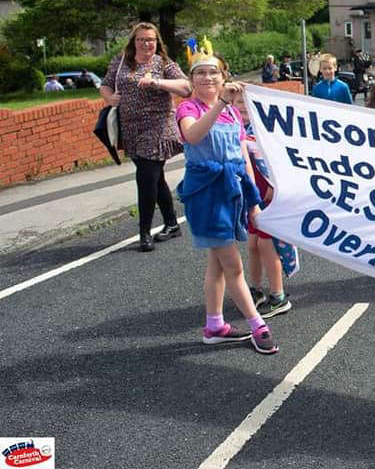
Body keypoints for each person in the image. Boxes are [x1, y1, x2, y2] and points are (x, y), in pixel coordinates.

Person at [175, 51, 279, 355]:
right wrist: (221, 101)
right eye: (200, 73)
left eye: (213, 73)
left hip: (232, 191)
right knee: (232, 265)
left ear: (223, 76)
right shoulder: (187, 108)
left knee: (217, 265)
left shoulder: (232, 113)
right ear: (192, 79)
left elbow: (242, 156)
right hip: (206, 194)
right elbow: (193, 135)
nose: (207, 78)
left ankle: (214, 325)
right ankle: (258, 324)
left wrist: (253, 201)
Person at [101, 23, 191, 252]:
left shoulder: (163, 63)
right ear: (134, 41)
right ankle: (172, 223)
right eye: (141, 39)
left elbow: (185, 87)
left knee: (145, 178)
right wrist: (110, 99)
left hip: (158, 127)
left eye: (151, 39)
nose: (146, 44)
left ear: (157, 42)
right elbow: (105, 85)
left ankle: (144, 232)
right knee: (154, 177)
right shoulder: (121, 61)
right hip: (131, 128)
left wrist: (157, 82)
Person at [233, 91, 292, 319]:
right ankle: (256, 289)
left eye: (248, 104)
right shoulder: (235, 128)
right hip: (251, 197)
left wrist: (272, 189)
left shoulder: (265, 131)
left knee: (267, 245)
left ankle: (278, 295)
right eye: (240, 103)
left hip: (267, 196)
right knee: (253, 245)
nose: (244, 108)